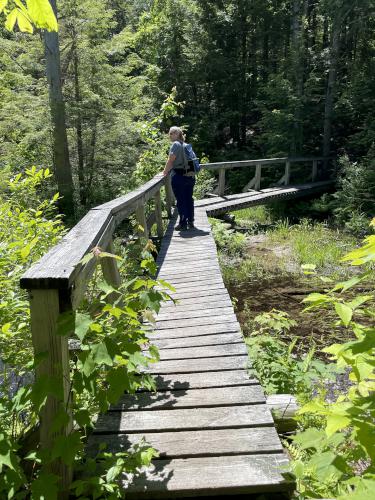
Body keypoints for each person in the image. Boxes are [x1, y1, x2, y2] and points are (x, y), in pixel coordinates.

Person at [162, 126, 196, 230]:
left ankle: (182, 223)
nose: (170, 135)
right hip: (190, 176)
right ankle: (190, 221)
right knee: (188, 199)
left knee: (181, 200)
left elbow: (171, 160)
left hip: (179, 176)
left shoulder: (176, 144)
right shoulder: (186, 145)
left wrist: (164, 172)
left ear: (177, 134)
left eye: (172, 133)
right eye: (170, 133)